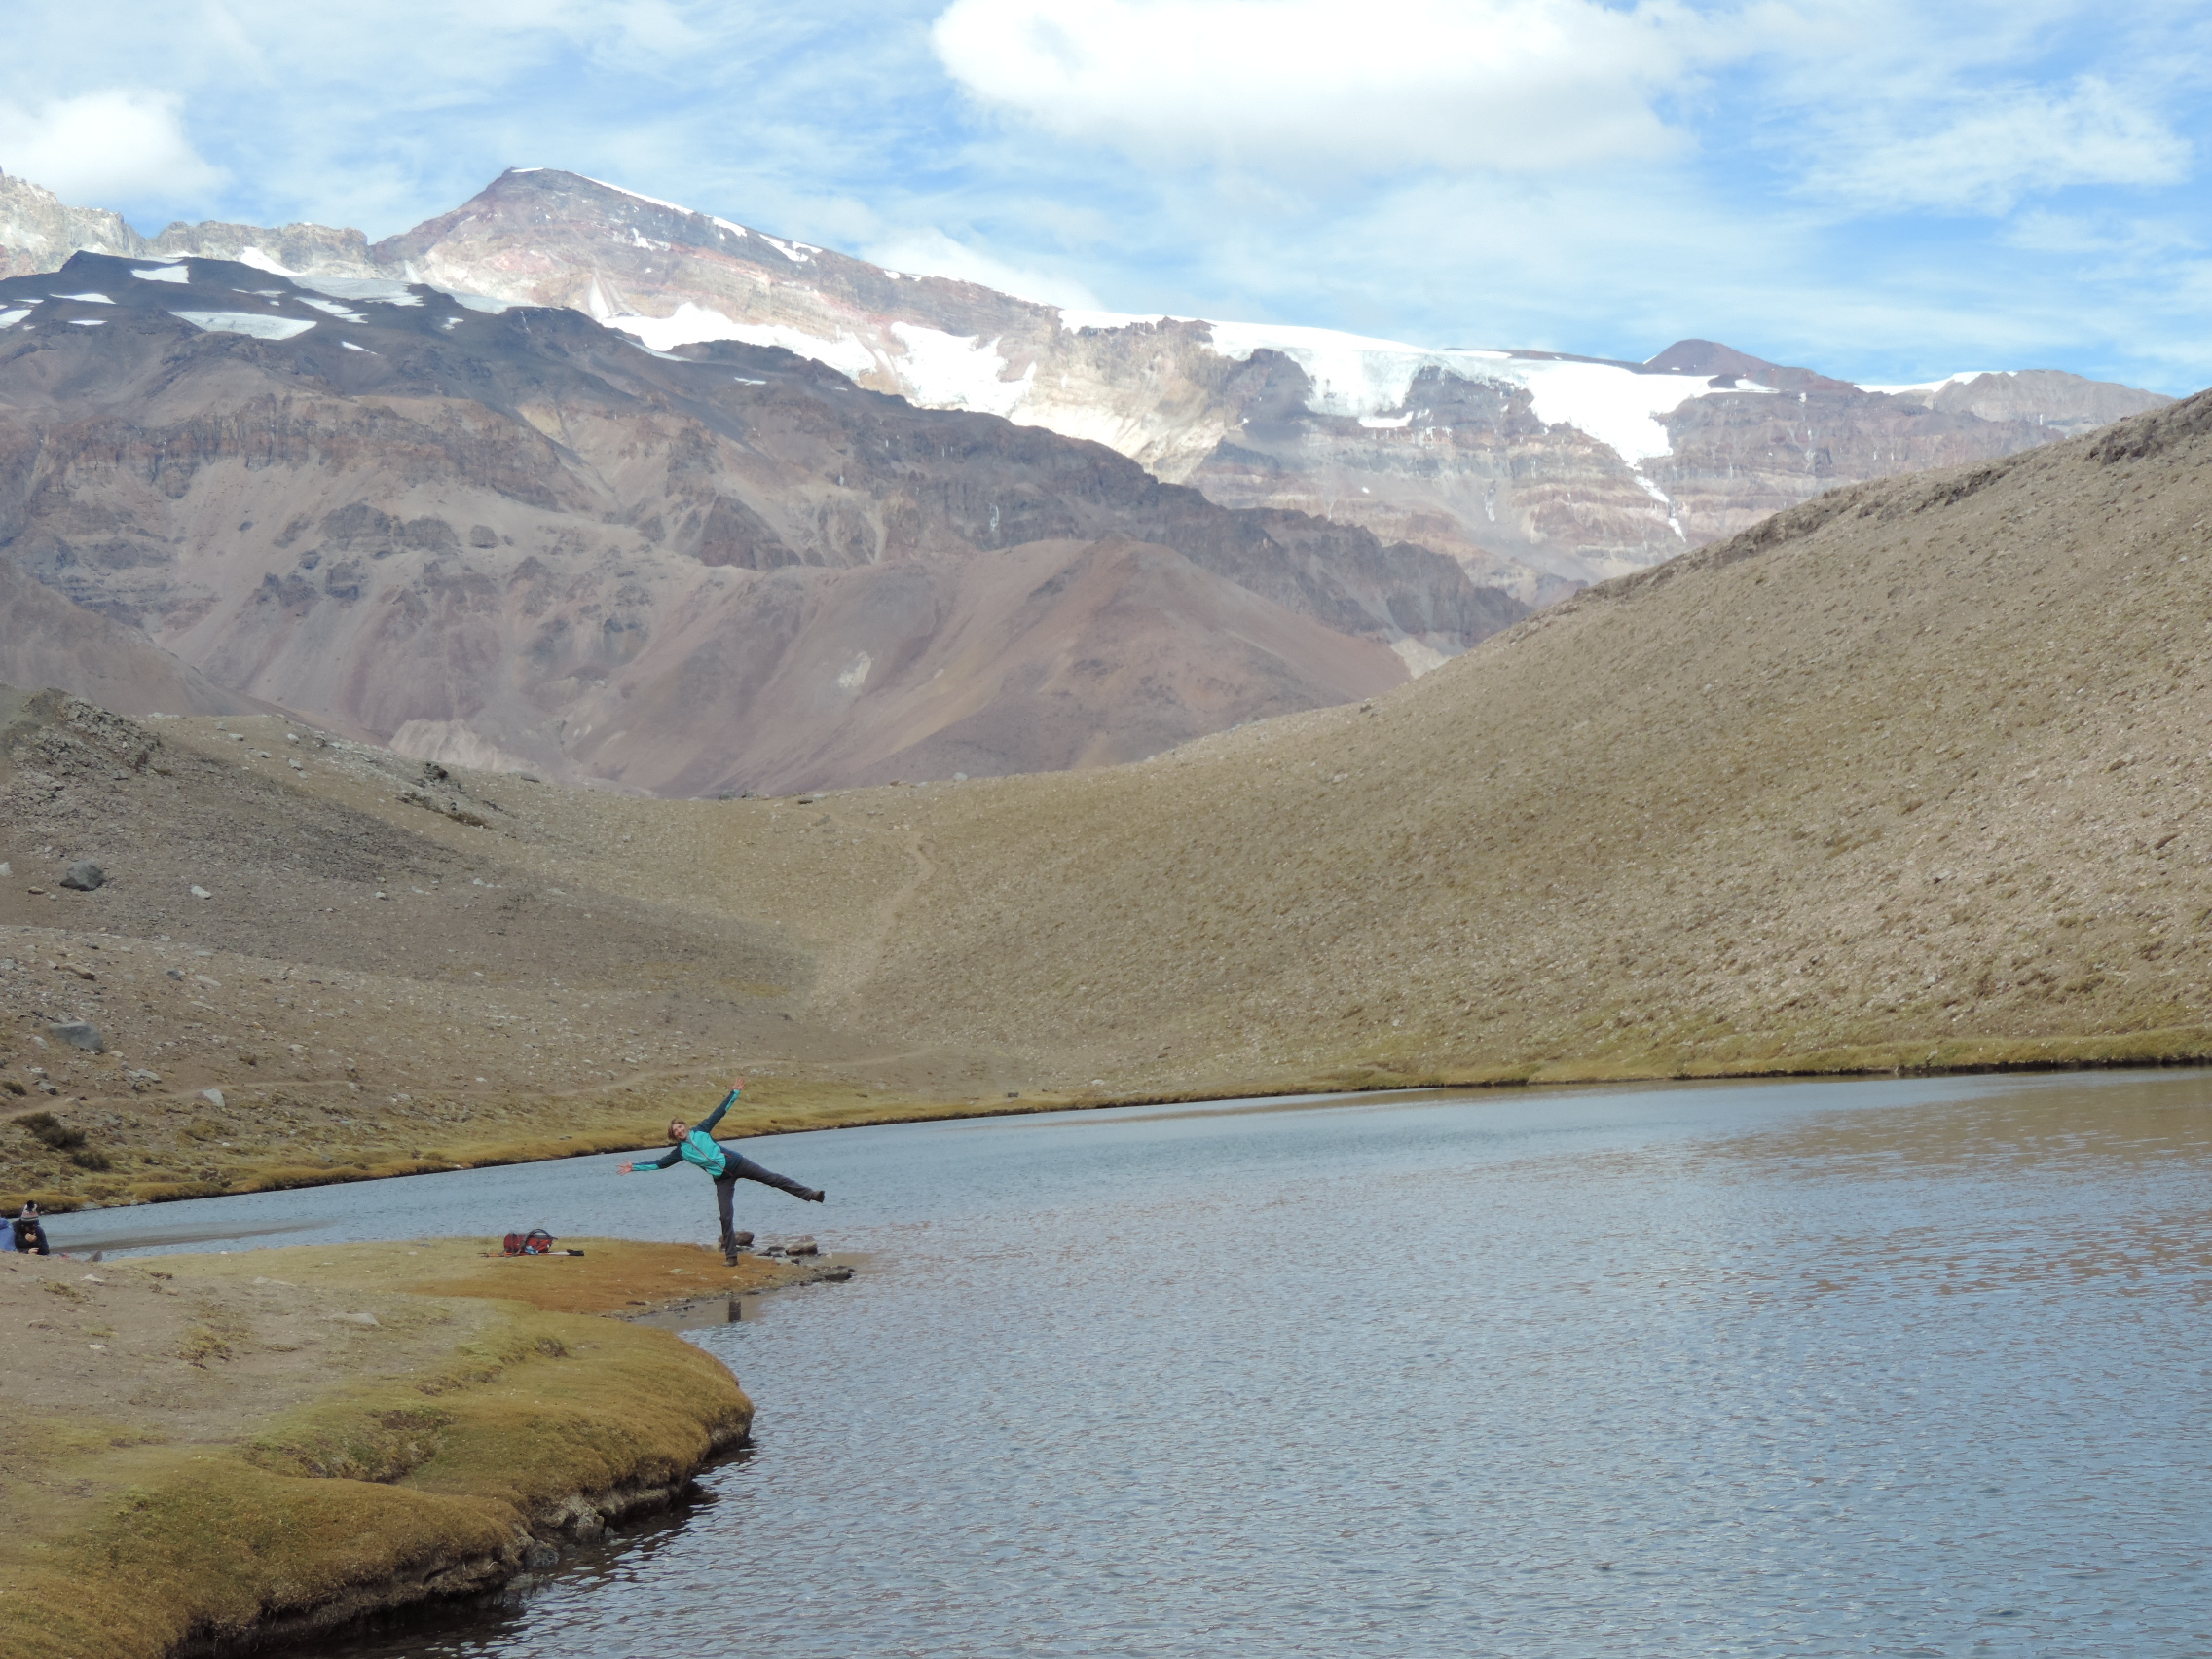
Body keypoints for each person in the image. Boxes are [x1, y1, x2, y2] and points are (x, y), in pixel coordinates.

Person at [619, 1079, 824, 1263]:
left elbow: (720, 1112)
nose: (680, 1131)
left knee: (773, 1179)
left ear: (685, 1126)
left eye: (681, 1127)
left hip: (738, 1163)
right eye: (676, 1131)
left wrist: (734, 1093)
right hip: (722, 1179)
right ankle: (732, 1257)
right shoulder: (681, 1152)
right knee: (725, 1216)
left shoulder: (701, 1130)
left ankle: (811, 1194)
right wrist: (634, 1167)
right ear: (673, 1136)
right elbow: (659, 1164)